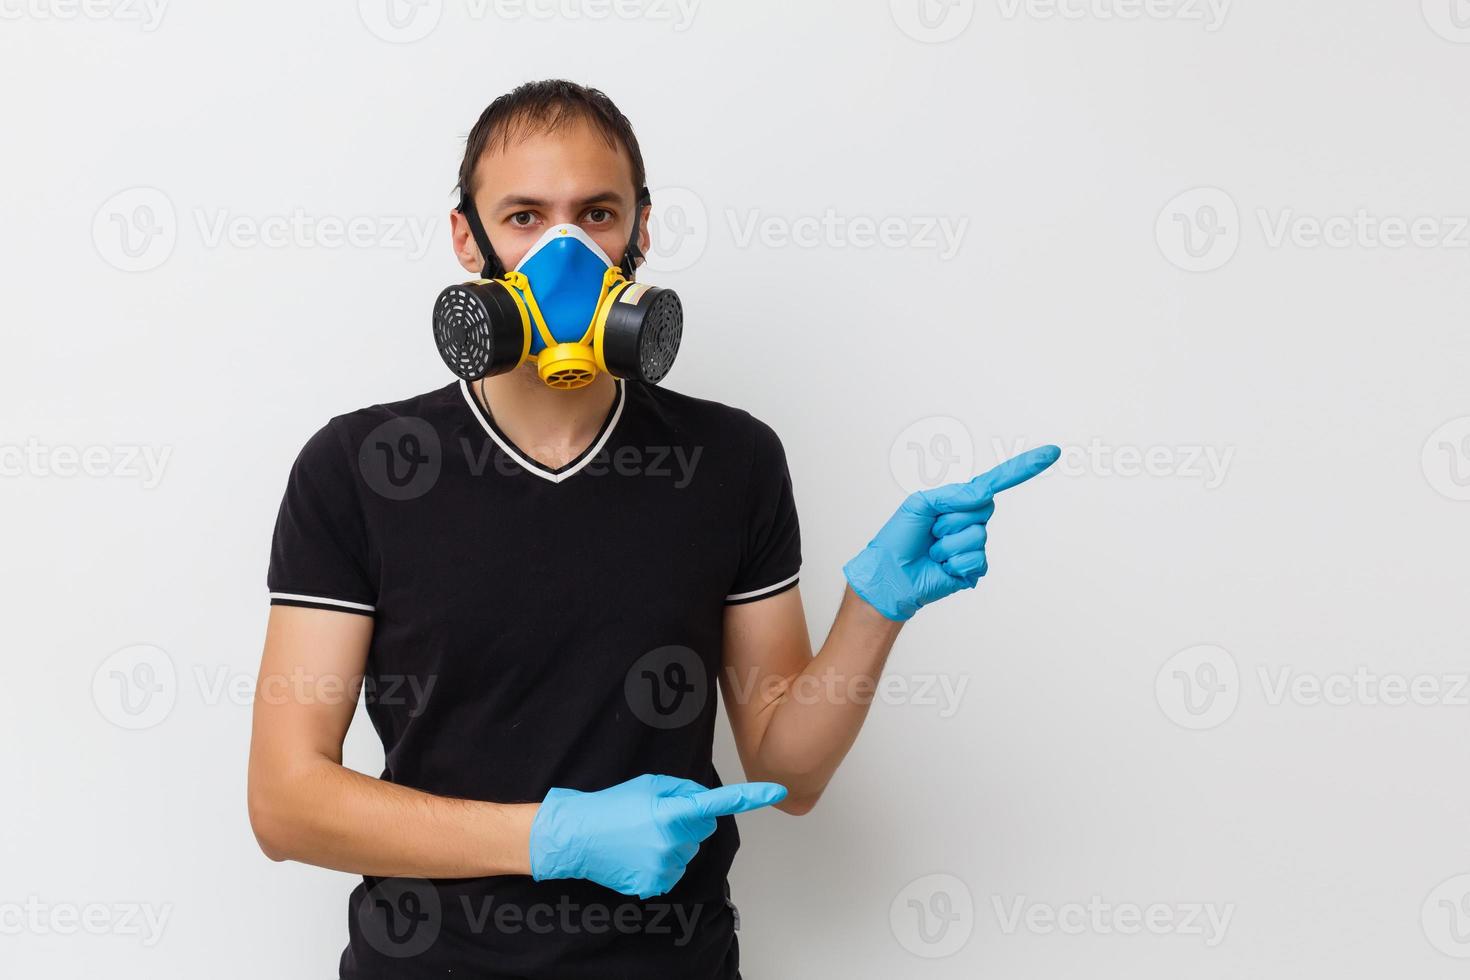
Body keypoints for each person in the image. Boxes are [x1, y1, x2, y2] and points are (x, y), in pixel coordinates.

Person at [246, 78, 1059, 979]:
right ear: (465, 238)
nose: (563, 249)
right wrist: (553, 836)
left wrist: (871, 612)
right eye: (522, 217)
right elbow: (286, 803)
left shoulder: (732, 459)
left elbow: (789, 774)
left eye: (595, 213)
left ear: (641, 229)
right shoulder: (361, 468)